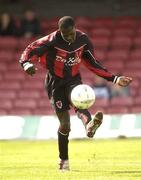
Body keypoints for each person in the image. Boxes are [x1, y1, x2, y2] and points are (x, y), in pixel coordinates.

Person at [19, 16, 132, 171]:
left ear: (75, 28)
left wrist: (115, 78)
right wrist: (26, 64)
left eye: (71, 33)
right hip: (55, 82)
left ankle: (89, 126)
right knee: (65, 125)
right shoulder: (51, 40)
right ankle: (64, 160)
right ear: (60, 31)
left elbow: (92, 63)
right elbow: (30, 49)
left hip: (73, 79)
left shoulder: (83, 40)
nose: (70, 37)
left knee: (81, 103)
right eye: (66, 35)